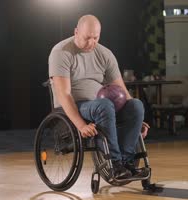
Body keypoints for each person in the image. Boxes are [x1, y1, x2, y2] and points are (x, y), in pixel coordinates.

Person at [48, 14, 149, 181]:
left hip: (102, 105)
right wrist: (80, 125)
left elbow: (121, 90)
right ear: (76, 32)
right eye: (87, 38)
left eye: (95, 38)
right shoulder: (61, 52)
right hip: (75, 105)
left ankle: (128, 163)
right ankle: (115, 165)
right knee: (104, 106)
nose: (91, 43)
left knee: (136, 105)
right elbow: (63, 94)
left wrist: (137, 118)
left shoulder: (105, 54)